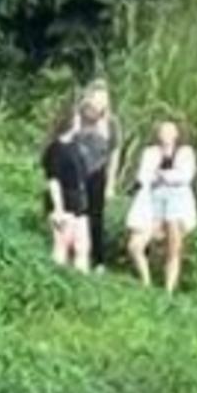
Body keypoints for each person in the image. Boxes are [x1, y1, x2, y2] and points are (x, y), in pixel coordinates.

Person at [126, 121, 197, 293]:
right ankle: (146, 282)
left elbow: (185, 176)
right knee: (135, 245)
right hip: (152, 201)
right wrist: (165, 176)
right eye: (162, 132)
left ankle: (168, 290)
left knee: (174, 248)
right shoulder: (150, 153)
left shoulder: (185, 152)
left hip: (177, 202)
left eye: (169, 132)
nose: (165, 135)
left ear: (176, 135)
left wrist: (161, 175)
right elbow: (143, 176)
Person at [74, 79, 122, 272]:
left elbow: (115, 154)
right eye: (97, 98)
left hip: (98, 172)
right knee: (75, 213)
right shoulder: (78, 117)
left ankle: (99, 260)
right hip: (75, 171)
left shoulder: (112, 123)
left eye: (104, 99)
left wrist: (111, 184)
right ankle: (76, 254)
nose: (100, 103)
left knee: (96, 216)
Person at [41, 105, 91, 273]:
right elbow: (53, 180)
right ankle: (56, 280)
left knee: (82, 246)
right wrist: (58, 209)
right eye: (77, 119)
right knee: (62, 244)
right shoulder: (56, 149)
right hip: (64, 200)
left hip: (79, 202)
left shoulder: (75, 146)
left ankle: (82, 283)